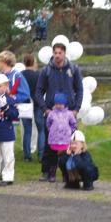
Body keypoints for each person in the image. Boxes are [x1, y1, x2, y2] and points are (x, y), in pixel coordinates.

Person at [34, 42, 83, 182]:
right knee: (50, 144)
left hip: (68, 114)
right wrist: (45, 109)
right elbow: (38, 91)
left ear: (64, 53)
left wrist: (76, 109)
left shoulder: (73, 69)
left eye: (59, 53)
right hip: (52, 114)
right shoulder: (46, 71)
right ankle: (47, 172)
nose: (57, 55)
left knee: (70, 144)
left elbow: (79, 89)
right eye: (55, 53)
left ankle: (69, 172)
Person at [0, 50, 32, 161]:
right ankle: (6, 155)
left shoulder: (17, 75)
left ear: (4, 61)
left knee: (27, 130)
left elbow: (26, 93)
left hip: (20, 107)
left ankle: (27, 155)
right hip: (5, 109)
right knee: (7, 130)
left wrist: (12, 98)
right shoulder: (0, 76)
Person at [44, 93, 77, 182]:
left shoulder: (69, 114)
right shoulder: (51, 114)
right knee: (53, 158)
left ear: (65, 104)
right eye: (57, 104)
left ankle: (65, 175)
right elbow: (48, 123)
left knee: (65, 158)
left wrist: (70, 132)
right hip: (54, 140)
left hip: (65, 140)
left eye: (61, 104)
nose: (59, 106)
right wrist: (52, 131)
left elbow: (73, 124)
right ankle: (52, 174)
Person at [21, 53, 45, 161]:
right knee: (41, 129)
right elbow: (42, 89)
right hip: (38, 102)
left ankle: (27, 156)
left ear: (24, 63)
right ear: (34, 62)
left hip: (25, 103)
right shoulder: (39, 75)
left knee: (27, 130)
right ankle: (41, 155)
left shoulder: (20, 75)